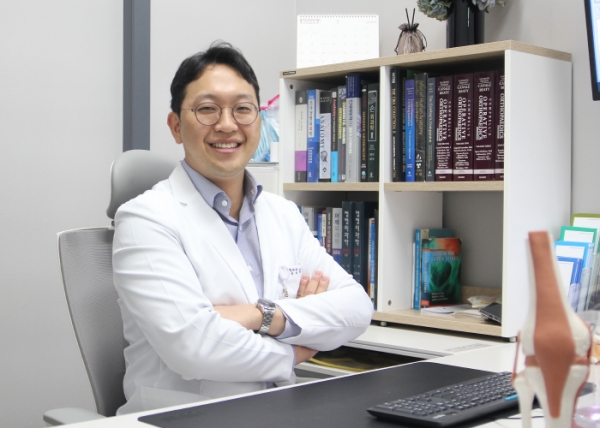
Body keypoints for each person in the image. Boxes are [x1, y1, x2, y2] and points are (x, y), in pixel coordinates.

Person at [112, 41, 374, 415]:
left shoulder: (283, 214)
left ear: (259, 121)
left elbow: (357, 308)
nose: (227, 124)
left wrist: (261, 316)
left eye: (243, 109)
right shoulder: (145, 220)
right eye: (207, 109)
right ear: (176, 126)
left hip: (278, 412)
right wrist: (295, 348)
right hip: (187, 417)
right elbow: (194, 347)